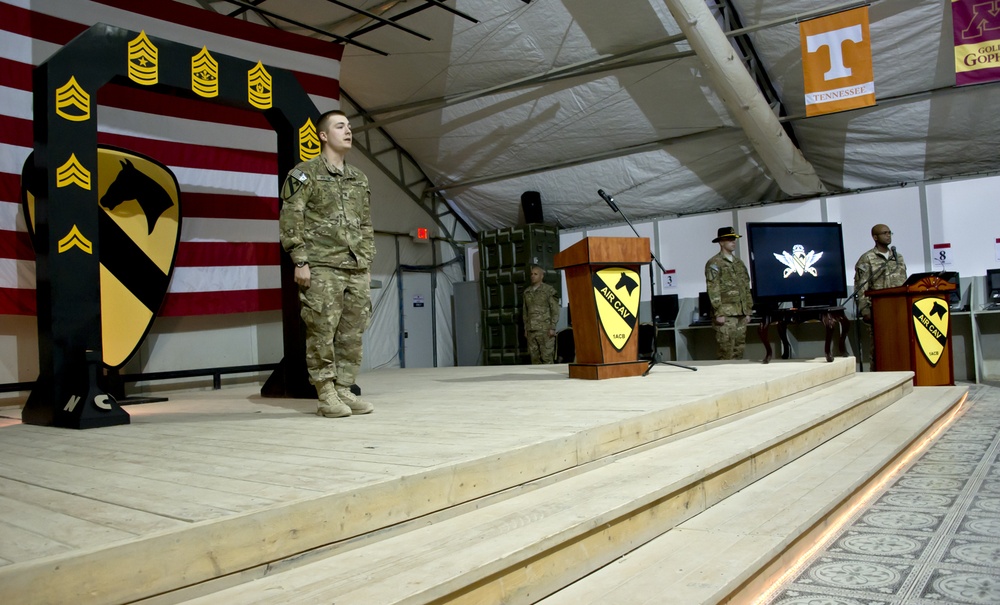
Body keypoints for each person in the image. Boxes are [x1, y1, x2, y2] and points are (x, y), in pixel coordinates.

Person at [279, 109, 376, 418]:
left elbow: (366, 224)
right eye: (339, 126)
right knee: (321, 329)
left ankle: (345, 387)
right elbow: (291, 217)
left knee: (352, 331)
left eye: (348, 126)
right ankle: (325, 393)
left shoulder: (358, 179)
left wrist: (367, 258)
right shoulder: (304, 174)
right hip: (321, 266)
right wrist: (300, 260)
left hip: (355, 267)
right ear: (323, 135)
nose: (348, 131)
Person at [853, 224, 907, 369]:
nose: (888, 235)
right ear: (875, 237)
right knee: (879, 351)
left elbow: (904, 282)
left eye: (890, 232)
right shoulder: (867, 258)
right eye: (884, 233)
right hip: (879, 312)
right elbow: (860, 287)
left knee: (901, 348)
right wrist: (865, 311)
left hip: (899, 311)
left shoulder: (897, 257)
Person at [705, 226, 753, 360]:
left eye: (734, 239)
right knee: (726, 351)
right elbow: (713, 288)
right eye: (730, 239)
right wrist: (719, 312)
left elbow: (746, 287)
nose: (733, 242)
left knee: (739, 350)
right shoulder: (714, 263)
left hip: (741, 313)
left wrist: (748, 310)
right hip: (726, 315)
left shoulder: (739, 263)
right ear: (721, 242)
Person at [522, 264, 560, 364]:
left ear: (541, 276)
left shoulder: (549, 291)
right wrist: (526, 328)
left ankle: (549, 380)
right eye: (531, 274)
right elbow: (525, 312)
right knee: (534, 359)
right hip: (531, 331)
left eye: (536, 274)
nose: (533, 276)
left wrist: (552, 327)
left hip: (545, 331)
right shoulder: (527, 292)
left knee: (547, 358)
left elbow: (555, 310)